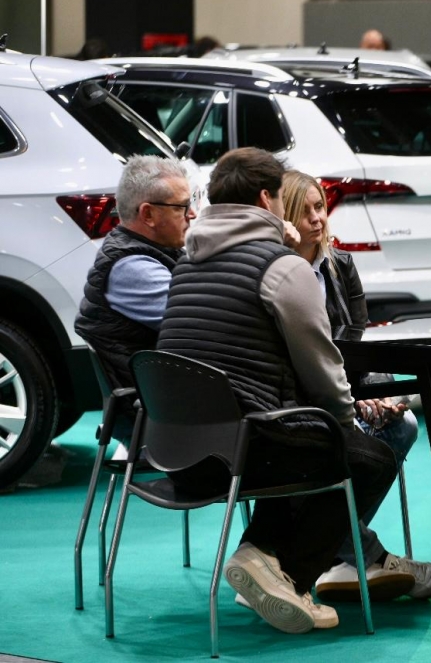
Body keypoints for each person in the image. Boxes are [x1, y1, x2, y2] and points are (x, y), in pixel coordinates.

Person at [157, 148, 397, 634]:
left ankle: (261, 554)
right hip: (247, 448)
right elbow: (323, 368)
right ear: (268, 200)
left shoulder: (185, 264)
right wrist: (345, 425)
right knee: (364, 458)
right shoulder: (282, 268)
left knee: (307, 445)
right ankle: (290, 577)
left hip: (175, 451)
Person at [280, 171, 431, 602]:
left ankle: (327, 557)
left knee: (403, 425)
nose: (317, 218)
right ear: (284, 218)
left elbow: (356, 344)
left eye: (320, 207)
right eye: (304, 211)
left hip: (341, 389)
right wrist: (352, 401)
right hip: (304, 402)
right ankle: (347, 556)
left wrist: (379, 390)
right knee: (351, 442)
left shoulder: (340, 265)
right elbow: (295, 362)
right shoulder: (277, 274)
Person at [75, 156, 195, 391]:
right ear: (148, 214)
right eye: (181, 207)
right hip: (161, 402)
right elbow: (200, 323)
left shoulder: (154, 249)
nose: (192, 214)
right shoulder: (132, 267)